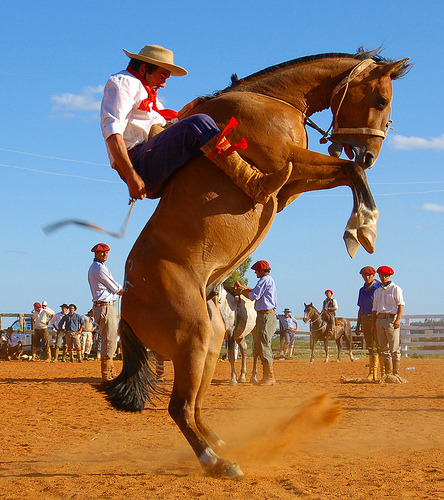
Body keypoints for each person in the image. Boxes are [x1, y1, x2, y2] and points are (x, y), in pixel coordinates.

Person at [100, 44, 289, 203]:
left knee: (204, 117)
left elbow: (167, 125)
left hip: (151, 154)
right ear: (143, 69)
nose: (164, 84)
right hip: (140, 164)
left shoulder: (151, 96)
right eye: (162, 76)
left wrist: (192, 108)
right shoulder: (123, 82)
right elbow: (112, 130)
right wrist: (131, 174)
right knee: (199, 123)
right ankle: (252, 183)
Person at [235, 260, 278, 386]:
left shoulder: (264, 280)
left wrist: (240, 292)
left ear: (262, 270)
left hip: (265, 315)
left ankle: (269, 376)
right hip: (265, 315)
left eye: (256, 270)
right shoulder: (266, 280)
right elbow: (254, 290)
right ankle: (267, 376)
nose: (255, 272)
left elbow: (253, 295)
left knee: (264, 344)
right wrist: (243, 288)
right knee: (262, 344)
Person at [88, 243, 123, 380]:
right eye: (102, 252)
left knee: (108, 339)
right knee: (110, 340)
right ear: (95, 253)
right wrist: (126, 291)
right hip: (105, 307)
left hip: (101, 306)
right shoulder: (99, 269)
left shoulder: (96, 267)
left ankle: (109, 370)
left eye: (106, 252)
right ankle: (107, 374)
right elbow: (115, 287)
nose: (105, 254)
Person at [372, 266, 405, 378]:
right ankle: (388, 373)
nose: (384, 277)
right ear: (379, 276)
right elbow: (374, 309)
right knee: (383, 348)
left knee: (394, 347)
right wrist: (373, 323)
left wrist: (398, 319)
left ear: (389, 276)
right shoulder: (377, 291)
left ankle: (396, 373)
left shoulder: (395, 289)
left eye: (386, 275)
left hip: (391, 319)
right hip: (380, 319)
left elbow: (401, 304)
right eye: (382, 275)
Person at [355, 266, 381, 380]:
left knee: (378, 346)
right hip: (365, 318)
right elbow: (360, 308)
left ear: (374, 275)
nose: (366, 277)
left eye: (369, 275)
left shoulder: (378, 288)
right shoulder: (362, 290)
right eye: (364, 275)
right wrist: (358, 325)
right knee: (370, 347)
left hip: (376, 318)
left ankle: (382, 372)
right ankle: (372, 372)